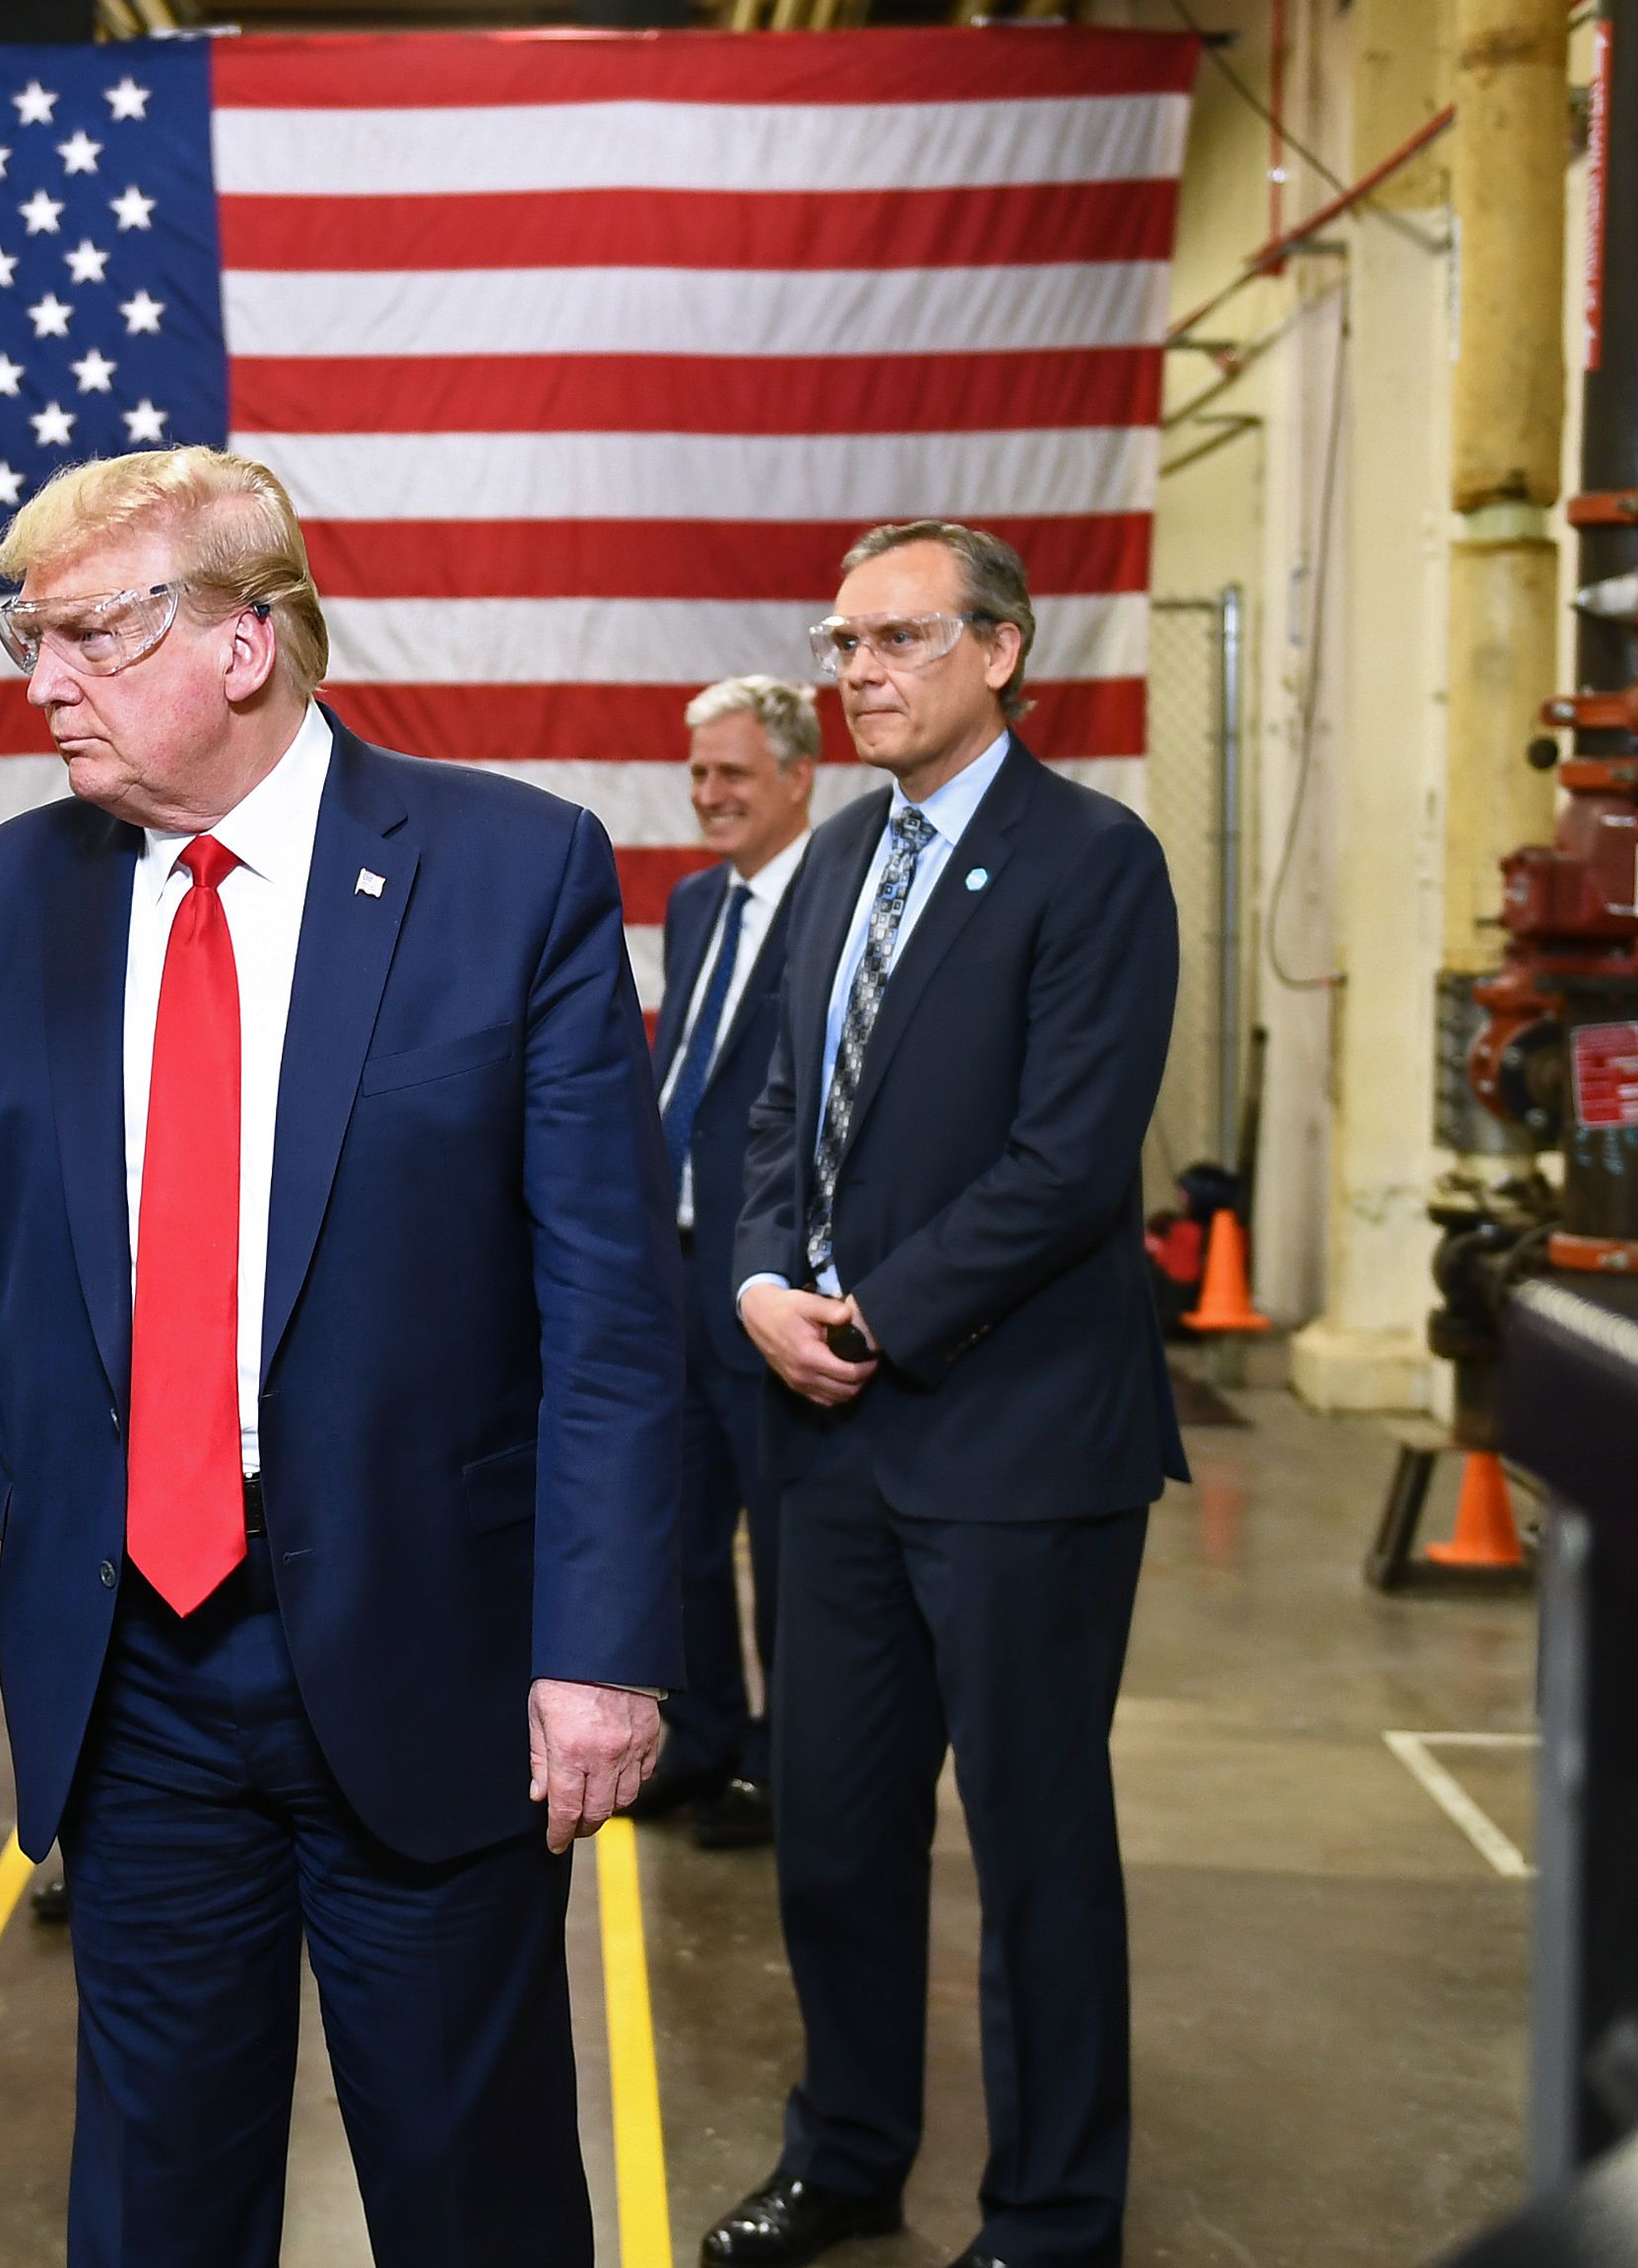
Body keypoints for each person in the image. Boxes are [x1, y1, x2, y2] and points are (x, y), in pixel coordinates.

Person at [0, 446, 682, 2268]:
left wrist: (603, 1648)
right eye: (29, 633)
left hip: (430, 1659)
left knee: (469, 2192)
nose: (38, 680)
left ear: (245, 642)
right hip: (132, 1660)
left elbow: (610, 1311)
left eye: (85, 632)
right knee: (155, 2201)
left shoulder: (508, 872)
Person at [700, 522, 1185, 2268]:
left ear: (999, 651)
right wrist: (761, 1283)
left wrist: (871, 1311)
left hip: (1018, 1434)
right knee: (830, 1832)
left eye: (896, 638)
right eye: (840, 643)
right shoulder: (835, 862)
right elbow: (771, 1110)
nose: (858, 671)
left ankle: (1052, 2211)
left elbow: (1064, 1166)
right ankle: (844, 2156)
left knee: (1035, 1849)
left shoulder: (1092, 861)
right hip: (829, 1435)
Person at [633, 674, 819, 1852]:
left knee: (788, 1540)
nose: (710, 795)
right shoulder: (700, 903)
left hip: (767, 1272)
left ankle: (787, 1766)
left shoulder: (838, 904)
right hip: (675, 1264)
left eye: (734, 775)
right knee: (681, 1525)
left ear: (801, 777)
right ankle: (699, 1739)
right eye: (700, 773)